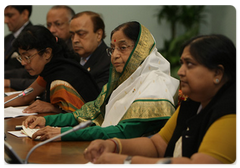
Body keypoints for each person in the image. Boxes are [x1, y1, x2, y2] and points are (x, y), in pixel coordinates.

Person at [83, 34, 237, 165]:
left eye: (190, 64)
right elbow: (158, 144)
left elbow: (197, 166)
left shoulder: (232, 111)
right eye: (182, 64)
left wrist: (126, 162)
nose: (181, 72)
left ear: (217, 73)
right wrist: (114, 145)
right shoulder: (193, 102)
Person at [22, 21, 179, 141]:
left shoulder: (155, 84)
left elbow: (122, 132)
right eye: (112, 49)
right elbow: (85, 115)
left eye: (122, 48)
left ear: (141, 49)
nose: (115, 55)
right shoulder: (121, 83)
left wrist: (64, 133)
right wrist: (45, 120)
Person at [2, 25, 100, 114]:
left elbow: (78, 116)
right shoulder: (50, 69)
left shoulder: (62, 78)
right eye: (21, 58)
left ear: (47, 53)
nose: (23, 63)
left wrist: (54, 108)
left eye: (27, 57)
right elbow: (26, 96)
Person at [2, 4, 76, 91]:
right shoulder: (6, 39)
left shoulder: (74, 50)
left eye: (58, 24)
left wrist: (10, 82)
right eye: (48, 25)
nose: (52, 30)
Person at [69, 11, 111, 90]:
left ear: (98, 35)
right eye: (72, 35)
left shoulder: (109, 62)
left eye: (81, 34)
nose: (75, 40)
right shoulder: (70, 58)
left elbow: (96, 98)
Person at [2, 3, 33, 71]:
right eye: (5, 16)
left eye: (10, 16)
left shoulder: (34, 37)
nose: (5, 21)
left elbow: (29, 71)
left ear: (24, 14)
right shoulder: (5, 40)